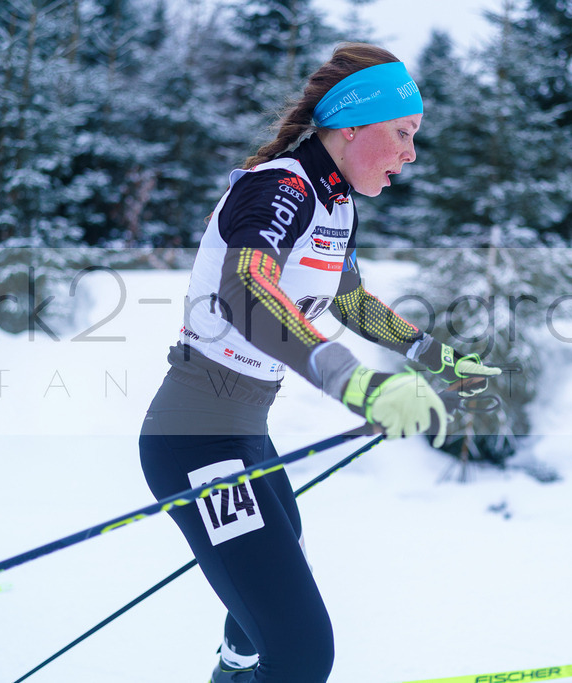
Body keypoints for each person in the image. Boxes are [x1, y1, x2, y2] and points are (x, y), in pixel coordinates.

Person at [138, 43, 500, 683]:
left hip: (243, 433)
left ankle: (233, 670)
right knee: (304, 655)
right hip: (195, 439)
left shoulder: (336, 203)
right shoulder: (279, 187)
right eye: (403, 132)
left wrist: (436, 357)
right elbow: (246, 291)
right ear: (352, 124)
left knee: (278, 580)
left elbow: (351, 299)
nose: (411, 153)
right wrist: (356, 385)